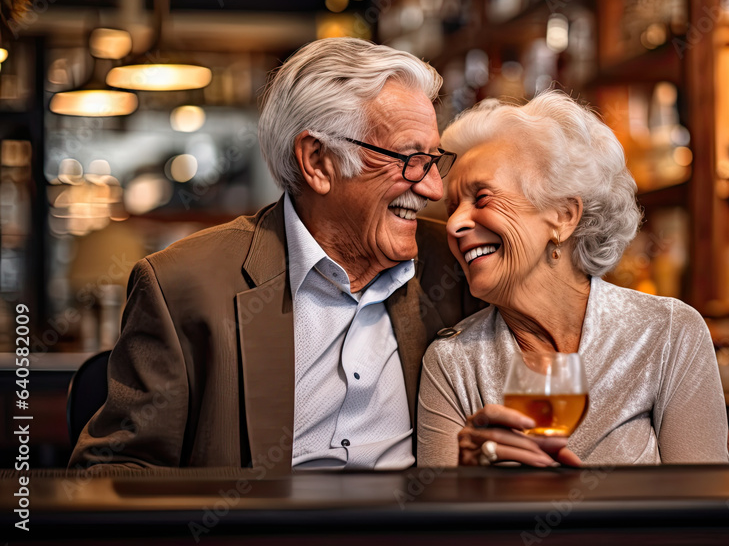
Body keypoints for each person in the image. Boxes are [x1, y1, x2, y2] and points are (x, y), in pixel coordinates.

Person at [69, 38, 481, 472]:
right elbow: (113, 473)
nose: (434, 188)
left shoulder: (458, 261)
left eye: (434, 160)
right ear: (318, 161)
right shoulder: (182, 286)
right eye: (411, 159)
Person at [416, 91, 729, 467]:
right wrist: (468, 478)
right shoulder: (452, 362)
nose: (453, 224)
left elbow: (704, 512)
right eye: (452, 209)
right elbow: (440, 520)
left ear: (564, 216)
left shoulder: (667, 332)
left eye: (482, 198)